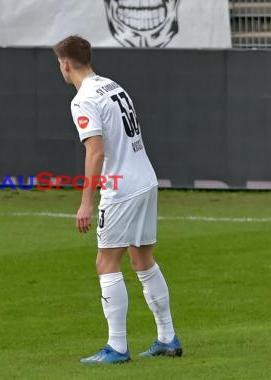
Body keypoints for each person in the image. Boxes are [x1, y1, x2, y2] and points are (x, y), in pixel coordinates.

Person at [53, 35, 182, 364]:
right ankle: (167, 337)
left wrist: (86, 201)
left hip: (121, 188)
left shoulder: (83, 99)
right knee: (143, 259)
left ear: (65, 64)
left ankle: (117, 346)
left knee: (106, 262)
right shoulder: (113, 86)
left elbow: (95, 151)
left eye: (59, 63)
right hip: (145, 180)